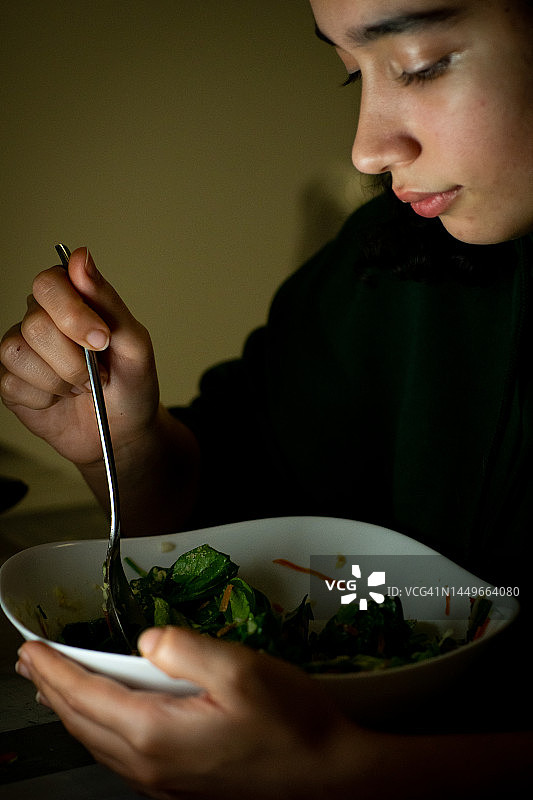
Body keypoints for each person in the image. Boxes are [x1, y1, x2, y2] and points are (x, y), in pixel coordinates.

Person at [2, 0, 533, 796]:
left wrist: (361, 776)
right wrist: (124, 445)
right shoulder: (391, 260)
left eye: (422, 63)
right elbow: (217, 507)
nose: (366, 149)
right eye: (350, 73)